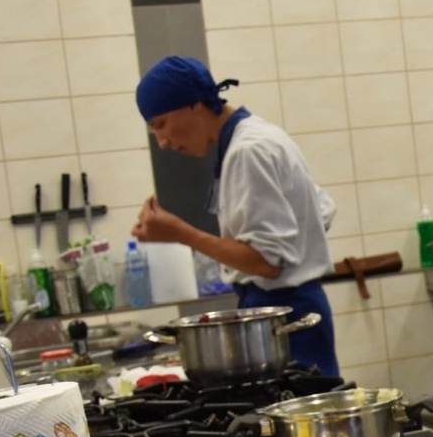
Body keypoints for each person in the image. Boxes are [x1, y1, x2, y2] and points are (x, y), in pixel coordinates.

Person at [132, 55, 339, 376]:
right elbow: (321, 209)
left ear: (194, 105)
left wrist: (180, 233)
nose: (162, 142)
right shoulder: (256, 136)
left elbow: (266, 263)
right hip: (291, 309)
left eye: (161, 125)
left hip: (286, 316)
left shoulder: (248, 150)